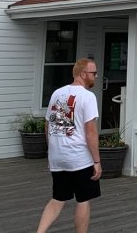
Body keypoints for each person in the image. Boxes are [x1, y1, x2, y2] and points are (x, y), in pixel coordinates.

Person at [36, 57, 102, 233]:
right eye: (93, 73)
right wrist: (97, 161)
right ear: (83, 74)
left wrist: (52, 151)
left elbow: (48, 124)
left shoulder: (57, 93)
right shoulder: (88, 97)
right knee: (83, 199)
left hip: (58, 157)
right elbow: (91, 132)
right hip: (79, 158)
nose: (96, 76)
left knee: (58, 198)